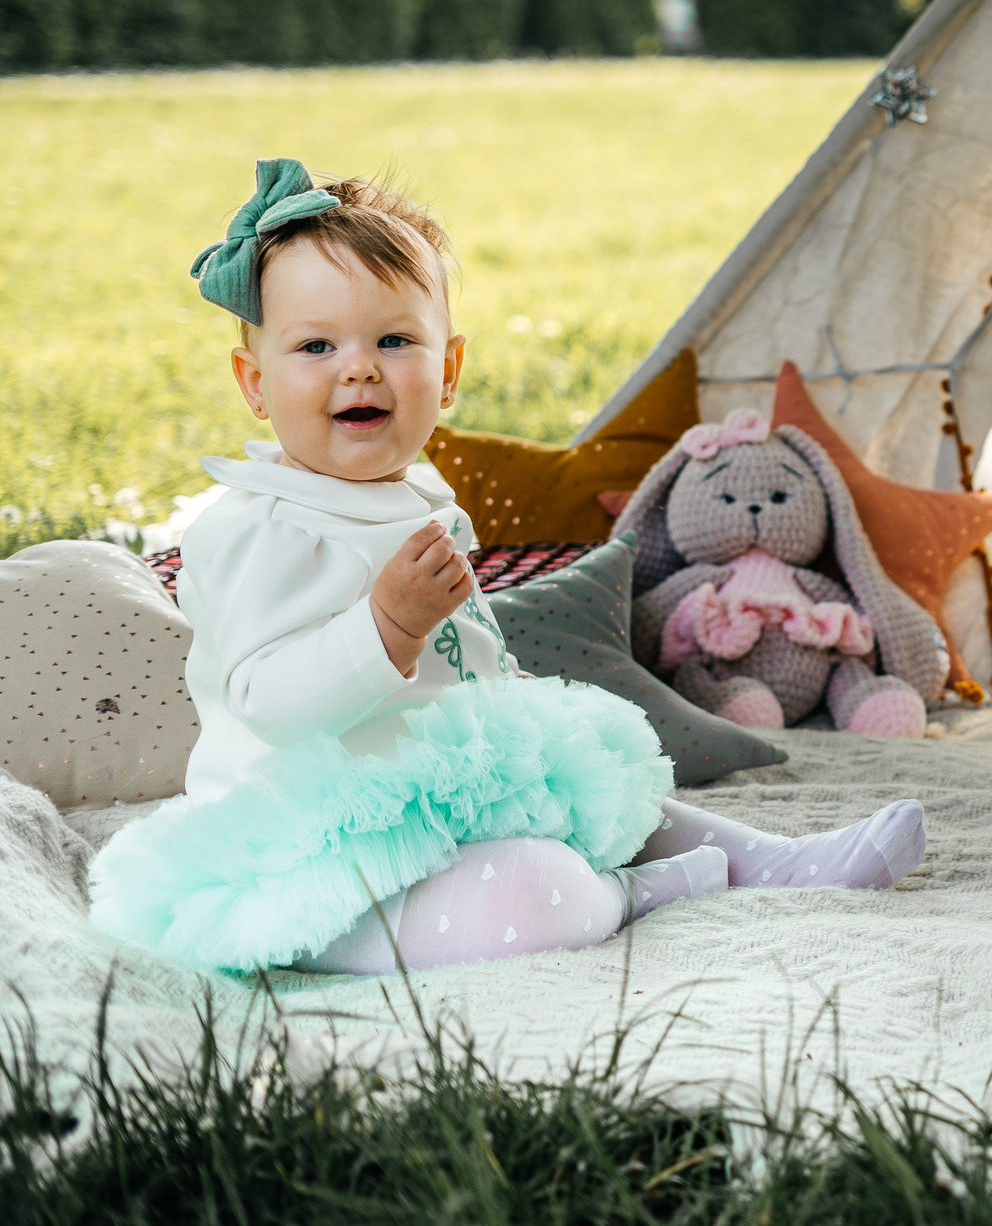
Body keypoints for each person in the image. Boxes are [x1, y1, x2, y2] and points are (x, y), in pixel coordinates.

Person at [87, 162, 927, 975]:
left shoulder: (418, 497)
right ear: (254, 382)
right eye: (315, 345)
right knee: (534, 890)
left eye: (394, 339)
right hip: (318, 859)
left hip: (442, 795)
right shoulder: (257, 530)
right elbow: (268, 703)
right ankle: (628, 893)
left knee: (605, 782)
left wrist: (502, 693)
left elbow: (465, 642)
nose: (359, 366)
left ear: (448, 371)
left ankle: (772, 858)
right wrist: (388, 625)